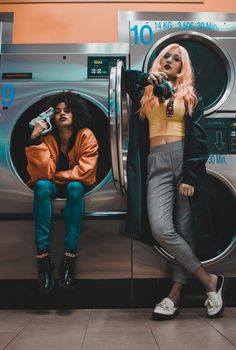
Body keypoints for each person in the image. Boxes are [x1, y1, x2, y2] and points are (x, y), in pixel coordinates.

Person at [125, 43, 225, 319]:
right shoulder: (145, 90)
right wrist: (145, 78)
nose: (170, 60)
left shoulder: (189, 95)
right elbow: (121, 78)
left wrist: (191, 175)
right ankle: (209, 281)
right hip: (155, 161)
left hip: (182, 159)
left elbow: (200, 138)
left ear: (183, 67)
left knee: (183, 229)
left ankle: (174, 295)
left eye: (176, 58)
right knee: (161, 227)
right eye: (166, 56)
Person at [25, 91, 98, 294]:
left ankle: (69, 258)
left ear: (76, 114)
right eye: (57, 112)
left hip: (74, 186)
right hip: (54, 185)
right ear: (51, 117)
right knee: (41, 186)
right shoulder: (47, 139)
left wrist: (56, 175)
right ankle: (43, 258)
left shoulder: (86, 135)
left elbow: (85, 173)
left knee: (75, 187)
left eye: (67, 110)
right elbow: (42, 174)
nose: (62, 114)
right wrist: (35, 139)